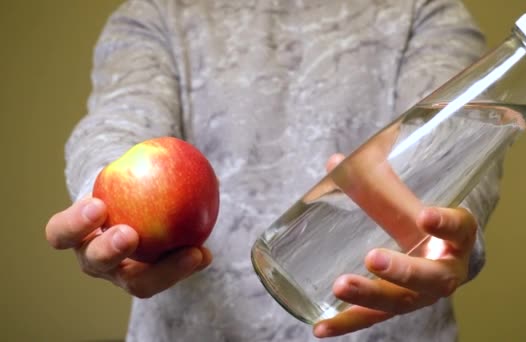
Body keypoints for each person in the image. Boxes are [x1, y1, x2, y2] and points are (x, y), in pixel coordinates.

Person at [45, 0, 502, 340]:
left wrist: (448, 233)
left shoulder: (425, 11)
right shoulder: (158, 13)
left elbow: (457, 143)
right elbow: (118, 122)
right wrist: (104, 207)